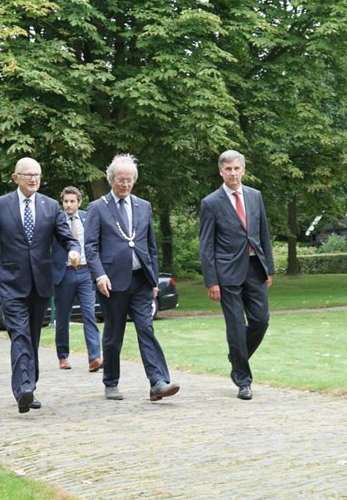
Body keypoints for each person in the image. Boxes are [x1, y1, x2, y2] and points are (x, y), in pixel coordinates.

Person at [0, 158, 81, 414]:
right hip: (11, 283)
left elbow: (66, 237)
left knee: (32, 336)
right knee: (19, 334)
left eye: (37, 175)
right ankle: (23, 389)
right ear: (15, 177)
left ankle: (30, 387)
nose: (34, 179)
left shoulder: (51, 206)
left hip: (41, 284)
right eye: (28, 175)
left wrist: (74, 251)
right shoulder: (0, 206)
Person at [84, 154, 179, 402]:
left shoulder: (143, 206)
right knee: (114, 333)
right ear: (111, 179)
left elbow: (150, 246)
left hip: (140, 281)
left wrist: (154, 279)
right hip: (112, 282)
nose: (125, 185)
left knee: (146, 328)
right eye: (120, 180)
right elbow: (91, 247)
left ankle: (157, 382)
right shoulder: (98, 207)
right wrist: (99, 275)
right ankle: (111, 381)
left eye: (129, 180)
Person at [198, 149, 273, 401]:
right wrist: (211, 281)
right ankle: (243, 380)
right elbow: (206, 245)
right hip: (226, 273)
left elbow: (263, 234)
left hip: (255, 268)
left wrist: (268, 268)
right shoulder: (211, 203)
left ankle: (236, 356)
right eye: (227, 169)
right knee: (236, 326)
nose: (232, 173)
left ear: (243, 169)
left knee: (261, 320)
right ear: (221, 171)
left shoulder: (255, 196)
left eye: (236, 168)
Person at [51, 186, 103, 373]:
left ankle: (94, 357)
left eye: (72, 201)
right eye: (66, 201)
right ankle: (63, 356)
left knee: (89, 314)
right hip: (64, 273)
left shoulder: (86, 218)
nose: (69, 205)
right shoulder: (56, 220)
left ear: (79, 202)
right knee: (63, 316)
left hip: (85, 272)